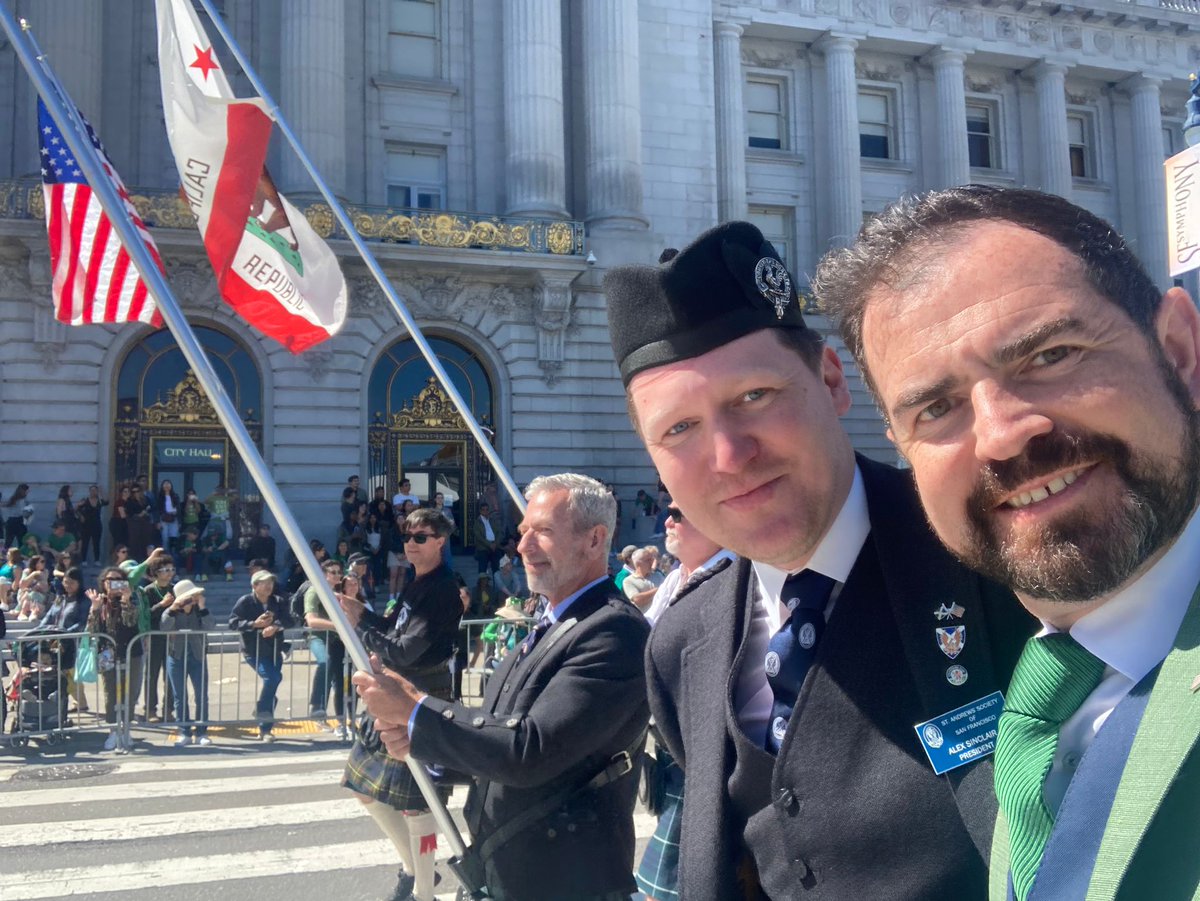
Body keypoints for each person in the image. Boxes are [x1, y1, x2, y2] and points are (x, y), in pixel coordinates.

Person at [602, 221, 1032, 900]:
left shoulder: (993, 555)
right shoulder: (680, 644)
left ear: (832, 380)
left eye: (754, 397)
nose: (728, 456)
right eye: (679, 428)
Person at [813, 184, 1200, 901]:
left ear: (1180, 351)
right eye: (937, 408)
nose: (1000, 434)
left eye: (1051, 355)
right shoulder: (1041, 687)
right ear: (901, 448)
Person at [354, 473, 650, 901]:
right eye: (523, 531)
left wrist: (417, 709)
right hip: (507, 872)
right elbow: (500, 730)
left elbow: (530, 752)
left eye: (544, 532)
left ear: (594, 539)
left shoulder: (612, 631)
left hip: (565, 883)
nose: (524, 546)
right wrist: (419, 741)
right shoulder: (553, 625)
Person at [340, 507, 462, 901]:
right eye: (407, 537)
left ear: (440, 541)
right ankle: (413, 868)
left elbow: (407, 651)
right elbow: (392, 630)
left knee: (419, 803)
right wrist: (362, 613)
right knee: (363, 788)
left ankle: (423, 891)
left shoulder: (443, 588)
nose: (410, 544)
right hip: (393, 694)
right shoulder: (415, 583)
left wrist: (361, 625)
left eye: (420, 537)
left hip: (421, 699)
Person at [637, 508, 732, 901]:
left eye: (679, 513)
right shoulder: (676, 577)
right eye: (666, 513)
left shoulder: (732, 576)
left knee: (679, 883)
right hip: (668, 745)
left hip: (706, 749)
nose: (667, 522)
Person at [86, 565, 149, 751]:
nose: (113, 585)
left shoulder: (132, 600)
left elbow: (131, 622)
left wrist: (126, 600)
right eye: (109, 581)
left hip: (132, 652)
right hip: (107, 654)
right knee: (110, 692)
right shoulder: (101, 602)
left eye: (118, 580)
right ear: (103, 584)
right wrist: (94, 608)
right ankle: (113, 730)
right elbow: (92, 630)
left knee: (131, 691)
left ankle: (126, 729)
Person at [228, 570, 293, 742]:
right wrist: (254, 624)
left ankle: (265, 725)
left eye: (270, 582)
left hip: (274, 649)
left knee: (274, 680)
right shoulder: (245, 601)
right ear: (255, 586)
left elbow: (290, 619)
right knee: (272, 679)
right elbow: (233, 622)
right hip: (253, 650)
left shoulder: (277, 601)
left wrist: (276, 626)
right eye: (264, 583)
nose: (268, 586)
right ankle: (264, 723)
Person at [160, 578, 211, 747]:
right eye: (192, 595)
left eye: (196, 595)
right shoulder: (171, 611)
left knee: (201, 695)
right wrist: (174, 609)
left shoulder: (199, 610)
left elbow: (211, 626)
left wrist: (202, 607)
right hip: (176, 656)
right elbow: (164, 627)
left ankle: (202, 731)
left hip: (197, 656)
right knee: (179, 697)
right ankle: (185, 731)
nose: (195, 598)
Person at [304, 558, 349, 737]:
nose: (337, 575)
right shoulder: (314, 591)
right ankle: (317, 707)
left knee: (340, 678)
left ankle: (341, 720)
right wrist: (338, 625)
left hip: (337, 640)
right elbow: (312, 620)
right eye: (333, 572)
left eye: (339, 572)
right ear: (324, 574)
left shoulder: (337, 592)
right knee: (325, 661)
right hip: (319, 637)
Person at [138, 556, 177, 723]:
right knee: (152, 674)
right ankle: (150, 709)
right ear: (156, 573)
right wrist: (162, 604)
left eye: (172, 570)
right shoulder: (148, 591)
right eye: (165, 570)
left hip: (171, 637)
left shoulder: (175, 589)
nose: (170, 574)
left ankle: (168, 709)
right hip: (154, 636)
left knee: (170, 675)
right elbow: (146, 615)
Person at [75, 485, 108, 566]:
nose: (93, 492)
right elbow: (76, 509)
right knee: (85, 542)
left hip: (96, 524)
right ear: (89, 491)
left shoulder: (99, 501)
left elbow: (107, 502)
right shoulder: (85, 500)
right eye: (92, 490)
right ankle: (84, 560)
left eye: (95, 490)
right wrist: (80, 516)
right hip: (86, 524)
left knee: (96, 542)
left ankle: (97, 560)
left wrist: (101, 491)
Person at [621, 548, 657, 612]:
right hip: (647, 619)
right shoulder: (628, 581)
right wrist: (659, 590)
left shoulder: (658, 575)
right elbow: (637, 600)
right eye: (648, 560)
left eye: (651, 559)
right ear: (638, 563)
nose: (651, 562)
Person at [472, 502, 499, 575]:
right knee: (482, 566)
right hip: (483, 547)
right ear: (480, 511)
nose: (485, 512)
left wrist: (495, 543)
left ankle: (497, 583)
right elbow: (479, 537)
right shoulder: (477, 522)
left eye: (487, 510)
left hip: (494, 545)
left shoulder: (493, 520)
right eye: (483, 510)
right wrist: (489, 544)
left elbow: (499, 532)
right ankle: (482, 583)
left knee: (497, 566)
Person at [2, 483, 29, 549]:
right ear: (23, 491)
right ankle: (20, 555)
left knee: (8, 542)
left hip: (10, 521)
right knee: (22, 541)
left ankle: (4, 554)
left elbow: (6, 507)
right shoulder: (22, 500)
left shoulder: (13, 499)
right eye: (27, 490)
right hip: (19, 521)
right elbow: (22, 511)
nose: (28, 492)